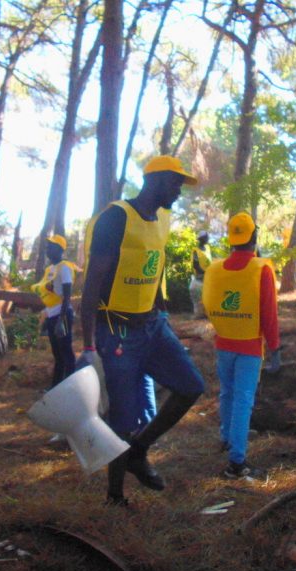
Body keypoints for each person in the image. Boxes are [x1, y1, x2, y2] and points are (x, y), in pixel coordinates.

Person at [80, 155, 206, 506]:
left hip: (153, 325)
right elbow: (91, 287)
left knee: (191, 386)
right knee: (122, 417)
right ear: (156, 180)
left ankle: (139, 450)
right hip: (116, 330)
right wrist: (89, 347)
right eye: (176, 183)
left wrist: (164, 317)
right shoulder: (115, 217)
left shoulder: (164, 217)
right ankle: (115, 496)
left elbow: (156, 269)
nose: (179, 191)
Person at [201, 212, 280, 480]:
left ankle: (227, 436)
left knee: (228, 393)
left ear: (231, 239)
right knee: (244, 399)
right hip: (249, 346)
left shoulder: (214, 268)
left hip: (223, 342)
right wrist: (275, 348)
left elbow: (207, 302)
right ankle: (236, 463)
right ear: (254, 237)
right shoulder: (261, 268)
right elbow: (269, 313)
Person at [32, 234, 76, 388]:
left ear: (59, 249)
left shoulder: (64, 267)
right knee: (57, 355)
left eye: (51, 247)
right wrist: (46, 316)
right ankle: (56, 387)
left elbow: (67, 295)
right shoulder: (50, 269)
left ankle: (72, 386)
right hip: (52, 315)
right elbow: (49, 295)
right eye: (47, 247)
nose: (47, 250)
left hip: (62, 315)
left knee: (66, 353)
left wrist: (60, 320)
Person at [189, 231, 212, 319]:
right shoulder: (196, 250)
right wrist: (206, 272)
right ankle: (199, 315)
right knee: (198, 298)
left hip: (208, 278)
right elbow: (196, 265)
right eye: (206, 237)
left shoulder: (208, 248)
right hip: (200, 278)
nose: (208, 239)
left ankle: (207, 314)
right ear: (202, 239)